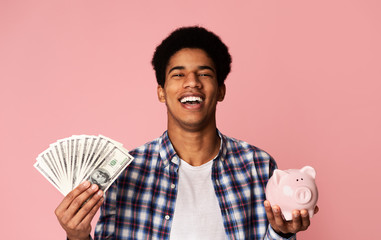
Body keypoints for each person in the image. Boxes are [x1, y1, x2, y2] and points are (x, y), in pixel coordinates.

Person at [55, 26, 318, 240]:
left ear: (221, 90)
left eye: (204, 73)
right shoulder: (123, 173)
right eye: (178, 74)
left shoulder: (258, 165)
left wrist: (281, 234)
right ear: (161, 91)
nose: (192, 82)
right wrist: (76, 237)